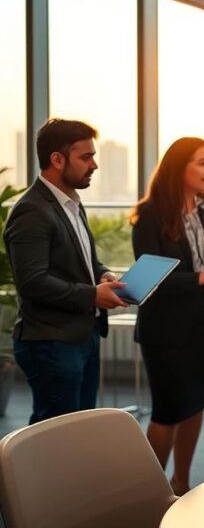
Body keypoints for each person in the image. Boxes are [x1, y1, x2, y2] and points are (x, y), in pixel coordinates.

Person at [4, 119, 127, 424]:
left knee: (76, 431)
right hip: (51, 342)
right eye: (86, 157)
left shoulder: (71, 202)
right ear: (57, 160)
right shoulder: (32, 210)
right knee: (54, 437)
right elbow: (33, 283)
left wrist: (103, 275)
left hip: (79, 336)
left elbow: (83, 261)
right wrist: (92, 295)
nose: (94, 165)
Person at [130, 137, 204, 495]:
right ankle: (148, 492)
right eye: (201, 162)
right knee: (169, 410)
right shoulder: (150, 214)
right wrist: (203, 276)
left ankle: (181, 483)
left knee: (196, 405)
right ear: (178, 167)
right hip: (166, 332)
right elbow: (151, 278)